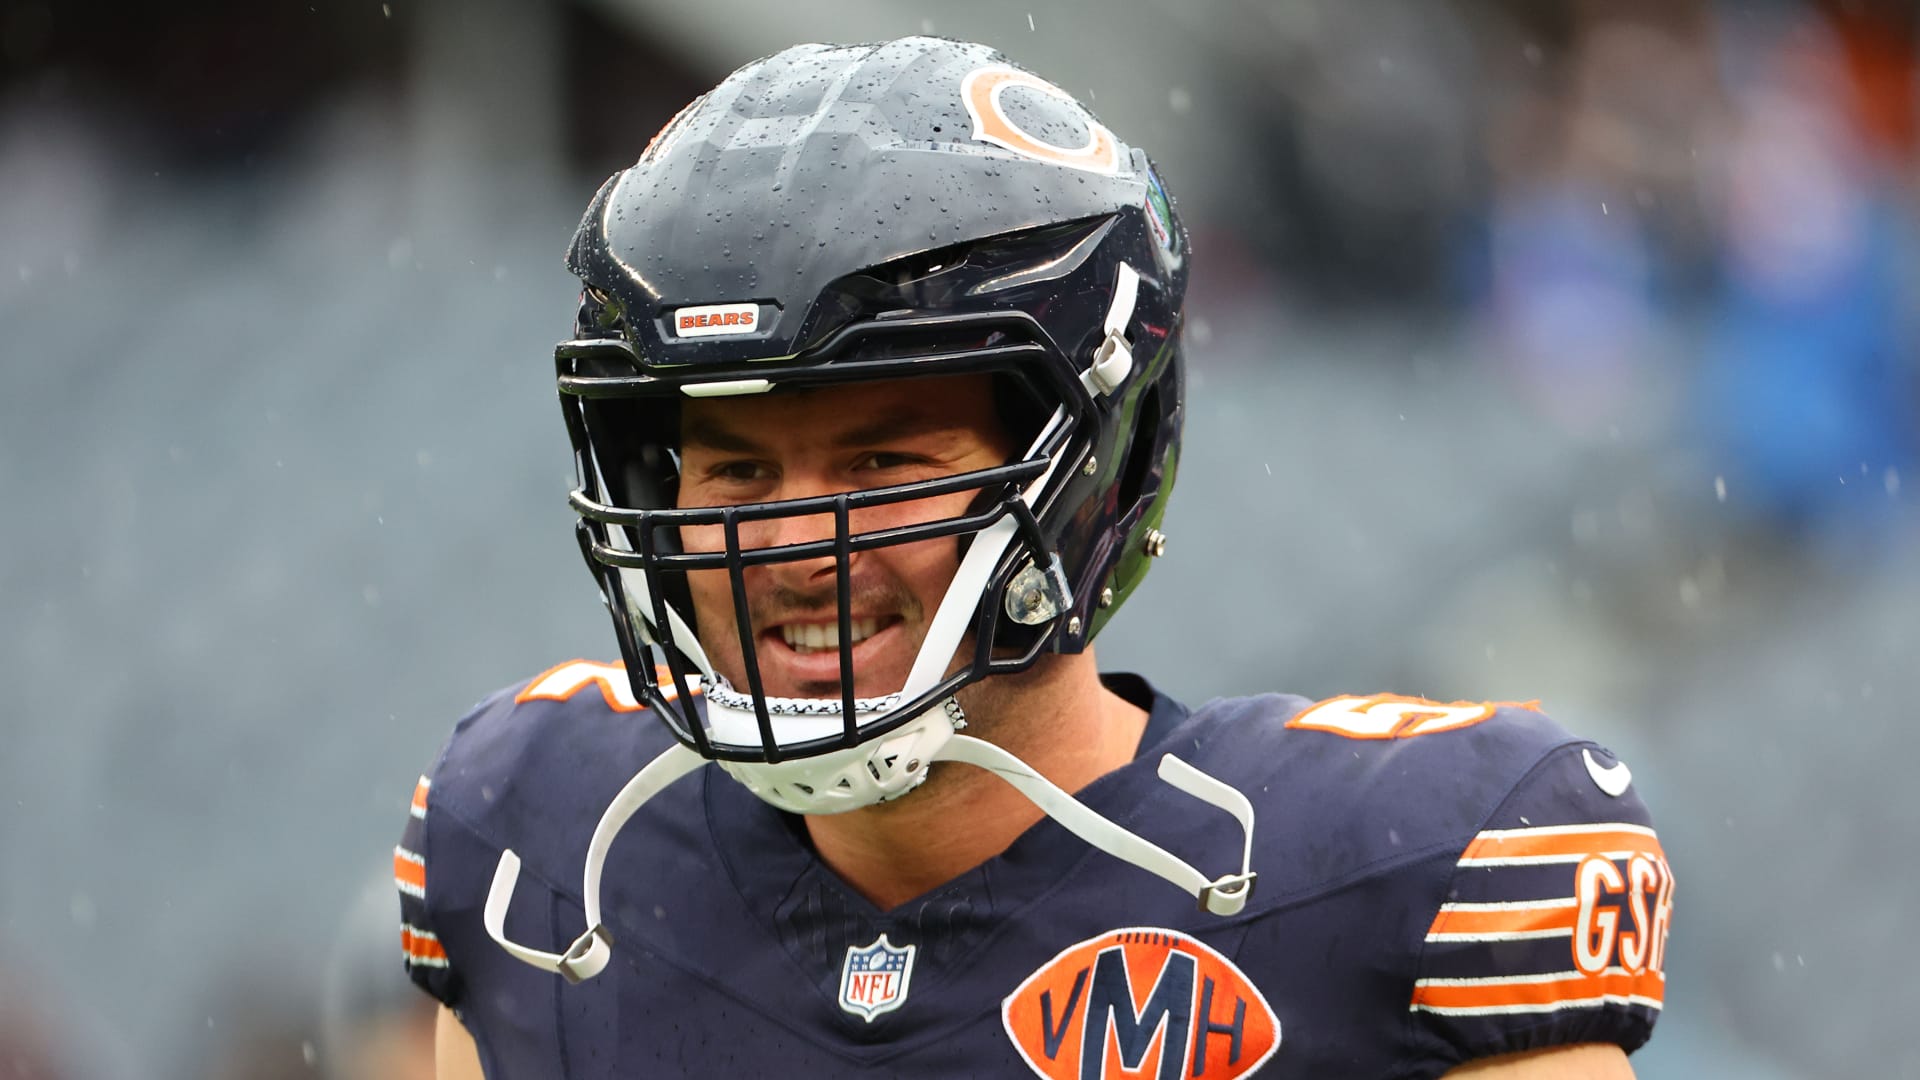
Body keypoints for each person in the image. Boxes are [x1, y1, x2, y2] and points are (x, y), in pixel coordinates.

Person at [396, 37, 1673, 1079]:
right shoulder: (541, 849)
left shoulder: (1401, 871)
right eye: (735, 469)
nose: (788, 544)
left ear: (1089, 478)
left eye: (882, 466)